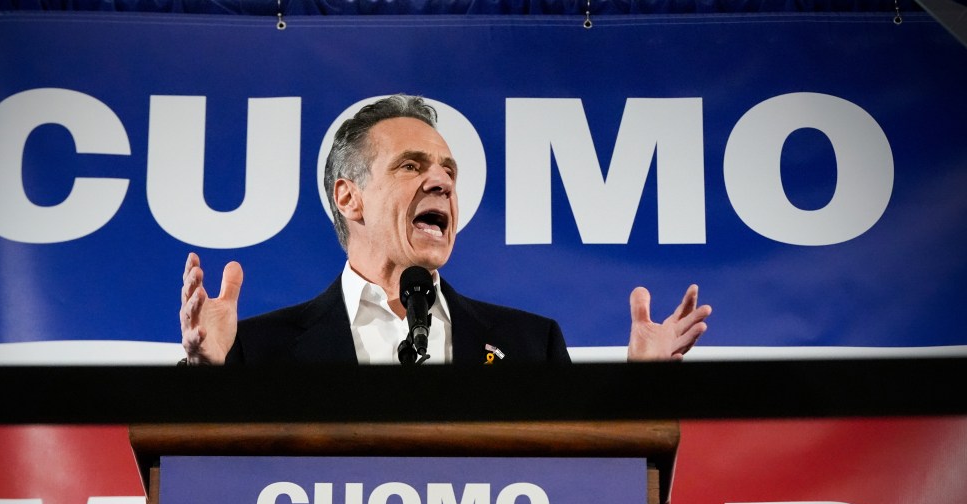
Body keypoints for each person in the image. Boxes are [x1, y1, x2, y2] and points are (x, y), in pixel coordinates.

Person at [180, 94, 710, 365]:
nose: (441, 181)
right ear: (349, 197)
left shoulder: (529, 346)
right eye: (411, 166)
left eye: (449, 171)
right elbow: (205, 493)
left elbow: (592, 488)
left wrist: (644, 388)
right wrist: (208, 376)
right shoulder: (259, 350)